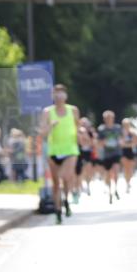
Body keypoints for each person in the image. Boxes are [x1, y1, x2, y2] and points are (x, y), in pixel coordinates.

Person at [38, 84, 80, 224]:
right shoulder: (47, 112)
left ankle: (66, 200)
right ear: (52, 96)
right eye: (56, 93)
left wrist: (81, 138)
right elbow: (42, 133)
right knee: (56, 183)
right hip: (54, 150)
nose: (59, 96)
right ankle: (57, 211)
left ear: (65, 96)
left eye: (61, 93)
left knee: (66, 177)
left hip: (70, 149)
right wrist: (51, 125)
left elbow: (77, 127)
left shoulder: (73, 110)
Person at [97, 110, 123, 204]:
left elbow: (122, 139)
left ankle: (115, 189)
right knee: (108, 173)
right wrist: (103, 143)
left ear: (113, 118)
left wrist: (120, 142)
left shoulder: (117, 128)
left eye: (110, 118)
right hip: (106, 154)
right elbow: (99, 142)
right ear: (104, 119)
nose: (108, 119)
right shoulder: (101, 129)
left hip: (116, 153)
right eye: (107, 118)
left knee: (116, 171)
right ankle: (109, 190)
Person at [120, 118, 137, 194]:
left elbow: (135, 142)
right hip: (123, 152)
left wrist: (127, 144)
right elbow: (121, 144)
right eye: (125, 124)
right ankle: (127, 183)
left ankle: (129, 181)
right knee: (126, 168)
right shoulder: (121, 133)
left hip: (131, 152)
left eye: (127, 124)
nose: (126, 126)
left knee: (130, 168)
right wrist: (129, 144)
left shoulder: (133, 133)